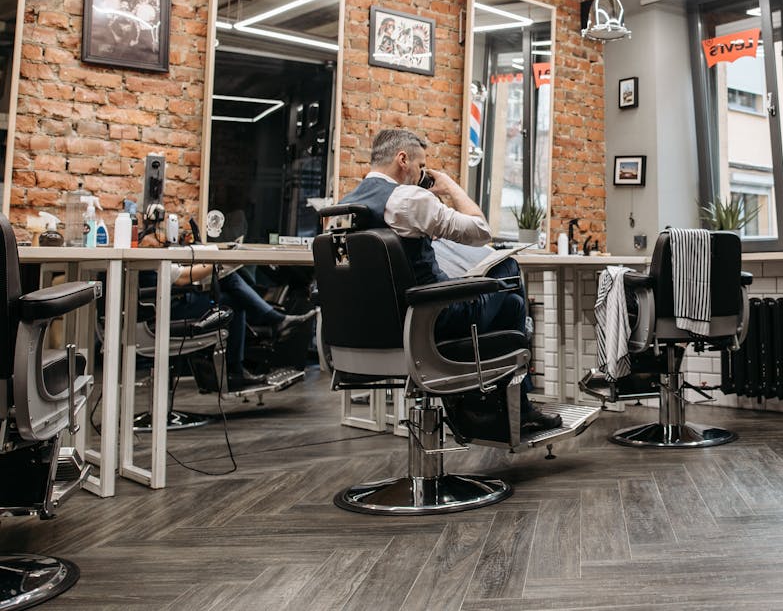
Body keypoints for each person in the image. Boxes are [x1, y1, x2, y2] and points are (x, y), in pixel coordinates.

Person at [339, 127, 561, 432]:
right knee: (508, 267)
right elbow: (480, 230)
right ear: (402, 159)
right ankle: (492, 405)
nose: (421, 175)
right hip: (432, 323)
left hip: (370, 332)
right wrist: (450, 187)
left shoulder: (345, 207)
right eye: (420, 167)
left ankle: (486, 407)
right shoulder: (406, 198)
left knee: (511, 305)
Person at [139, 233, 316, 391]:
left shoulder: (149, 258)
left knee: (230, 289)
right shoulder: (151, 259)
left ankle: (270, 327)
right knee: (231, 297)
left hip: (168, 306)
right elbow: (185, 277)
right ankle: (272, 325)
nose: (160, 244)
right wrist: (223, 262)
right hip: (167, 312)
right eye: (156, 241)